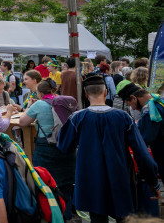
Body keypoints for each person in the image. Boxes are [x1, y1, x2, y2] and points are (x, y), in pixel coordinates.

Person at [58, 74, 160, 222]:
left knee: (97, 217)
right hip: (120, 177)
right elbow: (141, 153)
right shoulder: (124, 117)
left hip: (91, 178)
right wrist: (153, 181)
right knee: (124, 217)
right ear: (106, 92)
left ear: (86, 94)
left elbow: (64, 146)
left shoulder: (77, 118)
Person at [19, 80, 76, 219]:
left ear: (39, 93)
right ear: (54, 91)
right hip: (68, 146)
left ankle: (51, 215)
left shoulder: (39, 104)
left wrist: (31, 107)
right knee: (67, 183)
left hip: (46, 148)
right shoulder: (64, 102)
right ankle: (67, 215)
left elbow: (23, 122)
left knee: (45, 183)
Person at [118, 83, 164, 179]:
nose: (133, 108)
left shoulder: (150, 111)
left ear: (133, 98)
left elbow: (144, 139)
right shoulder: (159, 101)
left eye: (130, 104)